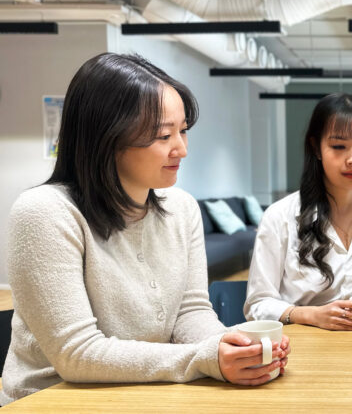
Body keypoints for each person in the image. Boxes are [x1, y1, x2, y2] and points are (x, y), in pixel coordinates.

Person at [1, 53, 290, 404]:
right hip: (53, 400)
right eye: (162, 135)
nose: (181, 148)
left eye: (183, 131)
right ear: (106, 138)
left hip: (149, 392)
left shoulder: (181, 209)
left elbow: (191, 312)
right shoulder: (46, 213)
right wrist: (203, 359)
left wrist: (229, 348)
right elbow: (76, 354)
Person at [245, 93, 352, 330]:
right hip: (300, 352)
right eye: (339, 146)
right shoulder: (280, 217)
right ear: (316, 148)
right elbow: (257, 305)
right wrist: (310, 315)